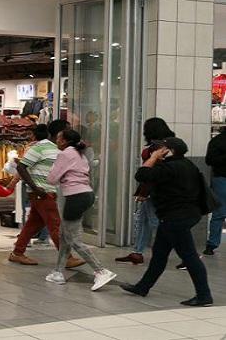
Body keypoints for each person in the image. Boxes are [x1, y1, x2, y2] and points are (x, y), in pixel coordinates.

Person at [121, 137, 213, 307]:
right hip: (183, 215)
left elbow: (141, 175)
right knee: (159, 254)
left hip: (176, 218)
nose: (157, 150)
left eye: (162, 148)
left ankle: (204, 295)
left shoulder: (169, 167)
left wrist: (153, 157)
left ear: (170, 151)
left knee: (189, 256)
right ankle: (142, 287)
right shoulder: (187, 165)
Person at [45, 129, 117, 291]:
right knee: (64, 235)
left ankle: (101, 271)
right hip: (86, 194)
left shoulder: (65, 154)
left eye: (59, 138)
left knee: (73, 239)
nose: (56, 141)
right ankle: (58, 272)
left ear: (65, 141)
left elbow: (52, 179)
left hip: (75, 197)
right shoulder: (80, 154)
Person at [8, 121, 83, 268]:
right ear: (60, 133)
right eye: (68, 130)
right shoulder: (40, 147)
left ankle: (17, 253)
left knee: (32, 225)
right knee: (56, 225)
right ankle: (66, 257)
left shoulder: (60, 149)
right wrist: (35, 188)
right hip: (41, 193)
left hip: (48, 191)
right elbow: (21, 167)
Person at [116, 117, 173, 264]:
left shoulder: (157, 147)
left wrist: (143, 193)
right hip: (160, 188)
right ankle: (137, 251)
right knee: (143, 220)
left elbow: (151, 173)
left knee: (155, 222)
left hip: (153, 190)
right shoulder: (169, 144)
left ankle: (185, 251)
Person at [204, 126, 226, 256]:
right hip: (221, 178)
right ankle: (211, 244)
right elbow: (209, 160)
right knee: (219, 213)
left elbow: (209, 160)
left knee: (219, 213)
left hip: (220, 178)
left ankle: (211, 245)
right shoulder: (218, 141)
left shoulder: (216, 141)